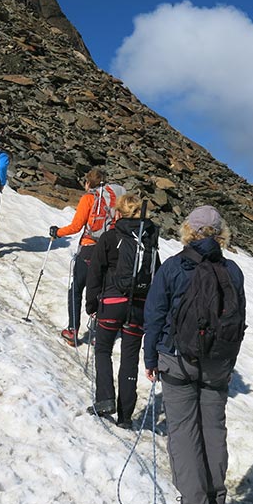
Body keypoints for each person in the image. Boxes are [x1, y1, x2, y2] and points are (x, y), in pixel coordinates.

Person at [143, 205, 245, 504]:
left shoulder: (173, 267)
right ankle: (216, 502)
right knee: (213, 429)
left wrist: (150, 358)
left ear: (189, 230)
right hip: (218, 364)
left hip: (177, 360)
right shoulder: (233, 271)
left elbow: (155, 315)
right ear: (220, 234)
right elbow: (238, 320)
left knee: (183, 431)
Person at [85, 193, 160, 428]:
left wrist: (91, 305)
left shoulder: (110, 237)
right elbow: (155, 275)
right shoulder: (149, 240)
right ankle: (126, 417)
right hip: (138, 307)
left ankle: (105, 398)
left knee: (103, 349)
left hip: (111, 304)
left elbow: (95, 272)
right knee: (129, 359)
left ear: (119, 212)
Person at [49, 168, 121, 345]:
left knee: (77, 288)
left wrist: (57, 232)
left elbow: (76, 226)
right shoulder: (114, 198)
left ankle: (73, 330)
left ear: (88, 183)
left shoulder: (88, 199)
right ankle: (99, 331)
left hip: (89, 248)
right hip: (109, 249)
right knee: (100, 290)